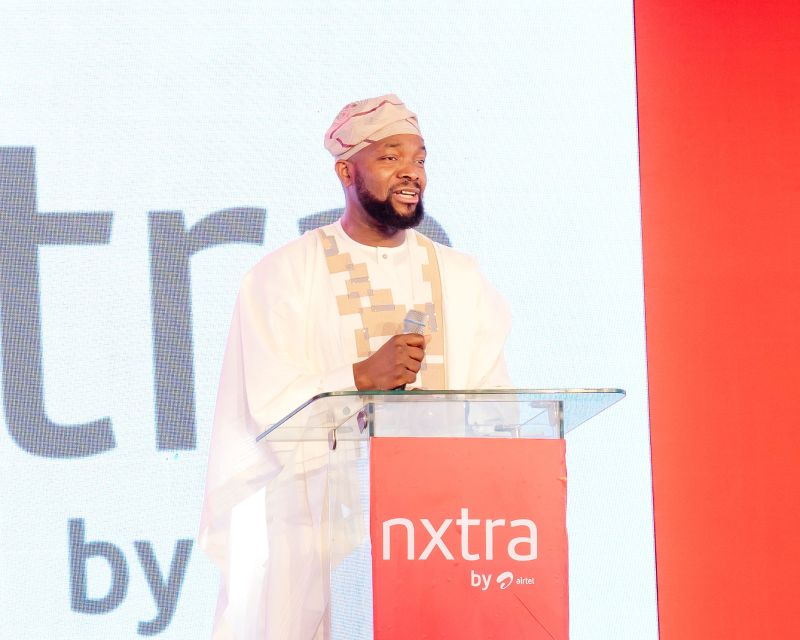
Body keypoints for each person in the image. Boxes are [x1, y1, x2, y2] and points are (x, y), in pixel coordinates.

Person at [199, 94, 512, 639]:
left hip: (442, 534)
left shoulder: (460, 278)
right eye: (391, 157)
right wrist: (360, 378)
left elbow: (497, 411)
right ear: (346, 171)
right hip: (318, 540)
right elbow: (268, 411)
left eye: (419, 159)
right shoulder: (284, 275)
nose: (411, 172)